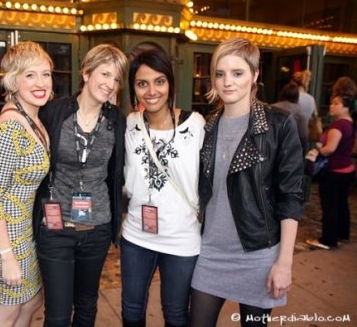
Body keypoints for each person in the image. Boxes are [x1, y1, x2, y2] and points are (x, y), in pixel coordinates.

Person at [0, 43, 129, 326]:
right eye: (104, 74)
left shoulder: (116, 120)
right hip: (54, 227)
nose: (109, 84)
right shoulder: (53, 111)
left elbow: (120, 170)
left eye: (116, 78)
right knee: (54, 312)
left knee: (83, 303)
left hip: (98, 227)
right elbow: (13, 141)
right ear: (86, 73)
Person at [189, 37, 304, 327]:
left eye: (237, 73)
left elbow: (291, 195)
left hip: (258, 254)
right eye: (220, 73)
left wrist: (284, 262)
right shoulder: (209, 125)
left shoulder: (278, 124)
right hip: (211, 252)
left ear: (254, 75)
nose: (227, 82)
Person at [121, 49, 204, 327]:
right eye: (142, 83)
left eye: (159, 81)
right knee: (131, 312)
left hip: (181, 238)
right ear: (133, 88)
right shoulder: (130, 125)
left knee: (176, 314)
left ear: (170, 83)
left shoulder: (195, 125)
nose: (151, 91)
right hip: (136, 235)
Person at [0, 41, 53, 327]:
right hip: (4, 234)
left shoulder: (31, 115)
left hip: (22, 229)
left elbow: (2, 162)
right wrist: (6, 256)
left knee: (32, 301)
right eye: (29, 75)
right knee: (6, 312)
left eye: (45, 74)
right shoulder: (11, 124)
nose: (40, 82)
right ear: (13, 80)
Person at [306, 82, 355, 250]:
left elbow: (330, 149)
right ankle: (343, 233)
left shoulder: (338, 125)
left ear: (345, 107)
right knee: (342, 204)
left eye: (336, 103)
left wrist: (317, 150)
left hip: (334, 171)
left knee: (330, 206)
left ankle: (328, 239)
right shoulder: (350, 123)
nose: (332, 106)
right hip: (347, 169)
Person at [271, 82, 309, 152]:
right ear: (297, 96)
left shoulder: (272, 108)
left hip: (272, 145)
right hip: (290, 147)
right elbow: (304, 135)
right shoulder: (299, 112)